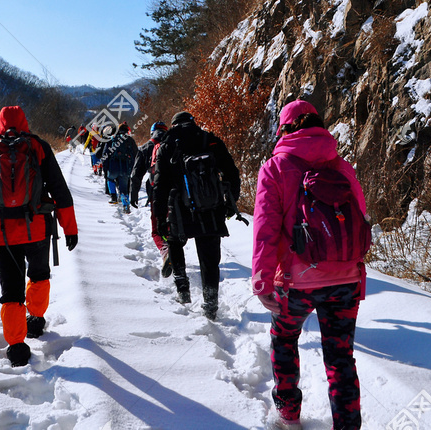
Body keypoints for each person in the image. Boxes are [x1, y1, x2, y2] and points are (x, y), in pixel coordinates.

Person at [251, 100, 367, 430]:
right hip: (344, 279)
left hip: (294, 281)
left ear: (284, 129)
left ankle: (288, 416)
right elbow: (359, 219)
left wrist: (261, 279)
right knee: (341, 357)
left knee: (284, 339)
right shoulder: (342, 167)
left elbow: (265, 229)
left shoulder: (275, 167)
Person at [0, 106, 79, 367]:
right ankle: (36, 321)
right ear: (25, 122)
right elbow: (60, 192)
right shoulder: (38, 147)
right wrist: (69, 228)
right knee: (38, 275)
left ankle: (16, 346)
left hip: (1, 234)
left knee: (11, 290)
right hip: (37, 228)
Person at [152, 111, 240, 320]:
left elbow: (159, 187)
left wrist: (159, 218)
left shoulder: (166, 146)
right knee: (209, 259)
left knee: (174, 244)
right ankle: (210, 305)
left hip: (178, 210)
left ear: (173, 125)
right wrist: (230, 204)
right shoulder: (209, 140)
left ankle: (183, 292)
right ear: (193, 122)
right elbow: (232, 173)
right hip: (211, 209)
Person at [130, 121, 172, 277]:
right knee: (174, 223)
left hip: (156, 192)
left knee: (156, 228)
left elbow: (136, 175)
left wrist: (133, 195)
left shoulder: (146, 147)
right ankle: (175, 250)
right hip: (176, 193)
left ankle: (165, 250)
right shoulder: (173, 144)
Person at [98, 122, 138, 213]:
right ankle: (126, 205)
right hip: (125, 167)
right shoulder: (130, 140)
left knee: (110, 179)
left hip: (113, 166)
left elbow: (105, 156)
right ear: (127, 131)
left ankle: (113, 197)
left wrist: (105, 169)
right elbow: (136, 155)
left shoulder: (112, 139)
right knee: (124, 188)